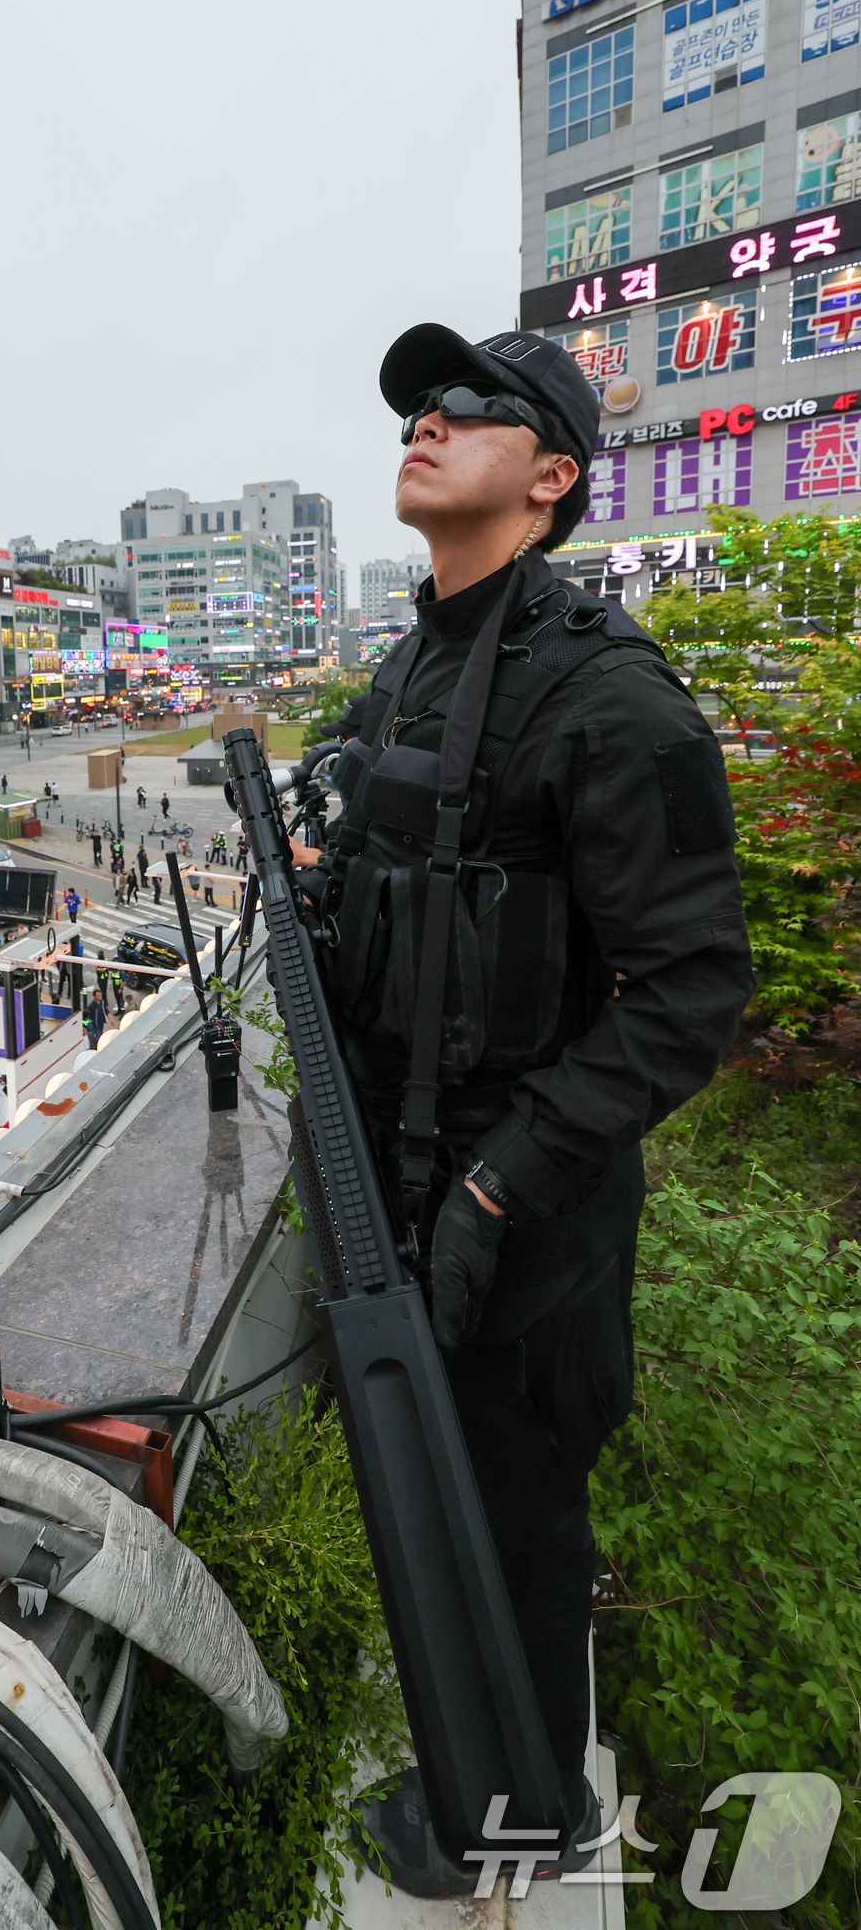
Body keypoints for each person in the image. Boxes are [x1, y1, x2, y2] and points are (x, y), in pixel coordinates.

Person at [303, 320, 754, 1891]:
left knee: (520, 1522)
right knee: (426, 1492)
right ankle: (475, 1771)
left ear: (552, 476)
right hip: (393, 1177)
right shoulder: (408, 668)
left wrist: (506, 1178)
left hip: (524, 1212)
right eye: (416, 406)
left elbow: (693, 989)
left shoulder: (614, 699)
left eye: (467, 406)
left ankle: (523, 1813)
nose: (423, 423)